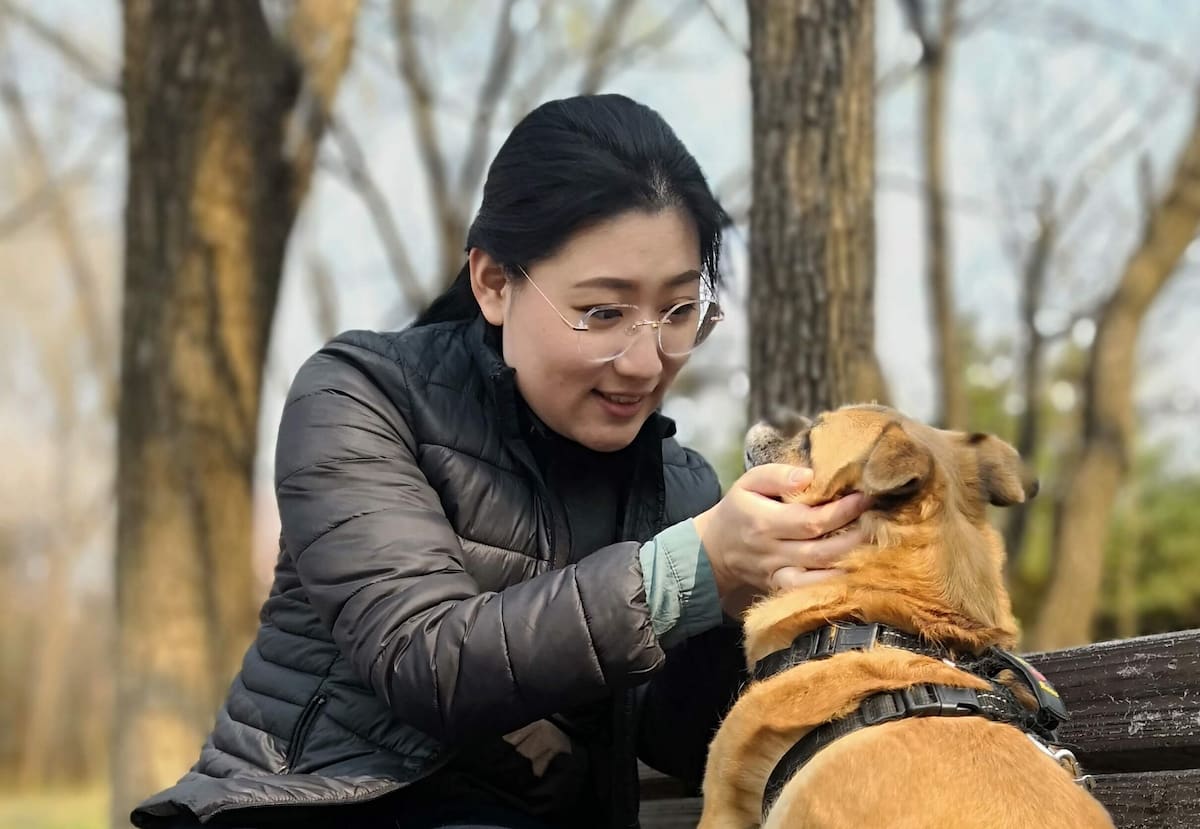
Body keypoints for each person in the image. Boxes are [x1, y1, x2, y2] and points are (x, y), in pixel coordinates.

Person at [131, 94, 867, 829]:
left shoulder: (680, 483)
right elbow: (426, 657)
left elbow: (676, 741)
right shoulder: (361, 398)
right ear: (492, 283)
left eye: (678, 312)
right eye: (603, 312)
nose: (647, 361)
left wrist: (746, 608)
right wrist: (690, 571)